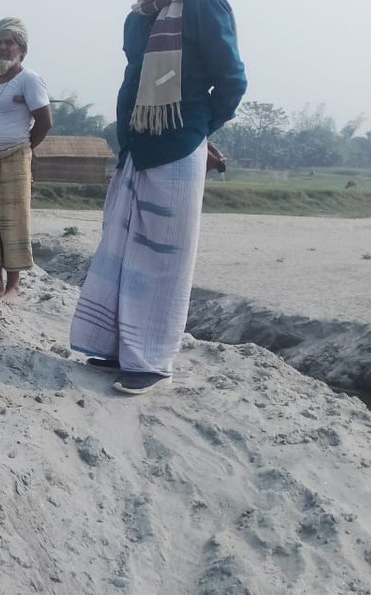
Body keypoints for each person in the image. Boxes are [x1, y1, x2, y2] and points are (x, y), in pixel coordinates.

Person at [70, 0, 246, 395]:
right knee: (122, 247)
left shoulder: (203, 6)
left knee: (163, 257)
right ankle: (117, 348)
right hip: (135, 146)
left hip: (177, 148)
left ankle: (149, 362)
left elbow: (232, 80)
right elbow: (136, 72)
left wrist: (198, 131)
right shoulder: (139, 15)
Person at [0, 18, 53, 303]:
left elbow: (44, 122)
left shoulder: (29, 79)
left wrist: (24, 149)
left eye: (9, 42)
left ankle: (13, 286)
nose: (3, 48)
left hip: (14, 159)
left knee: (12, 221)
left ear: (21, 49)